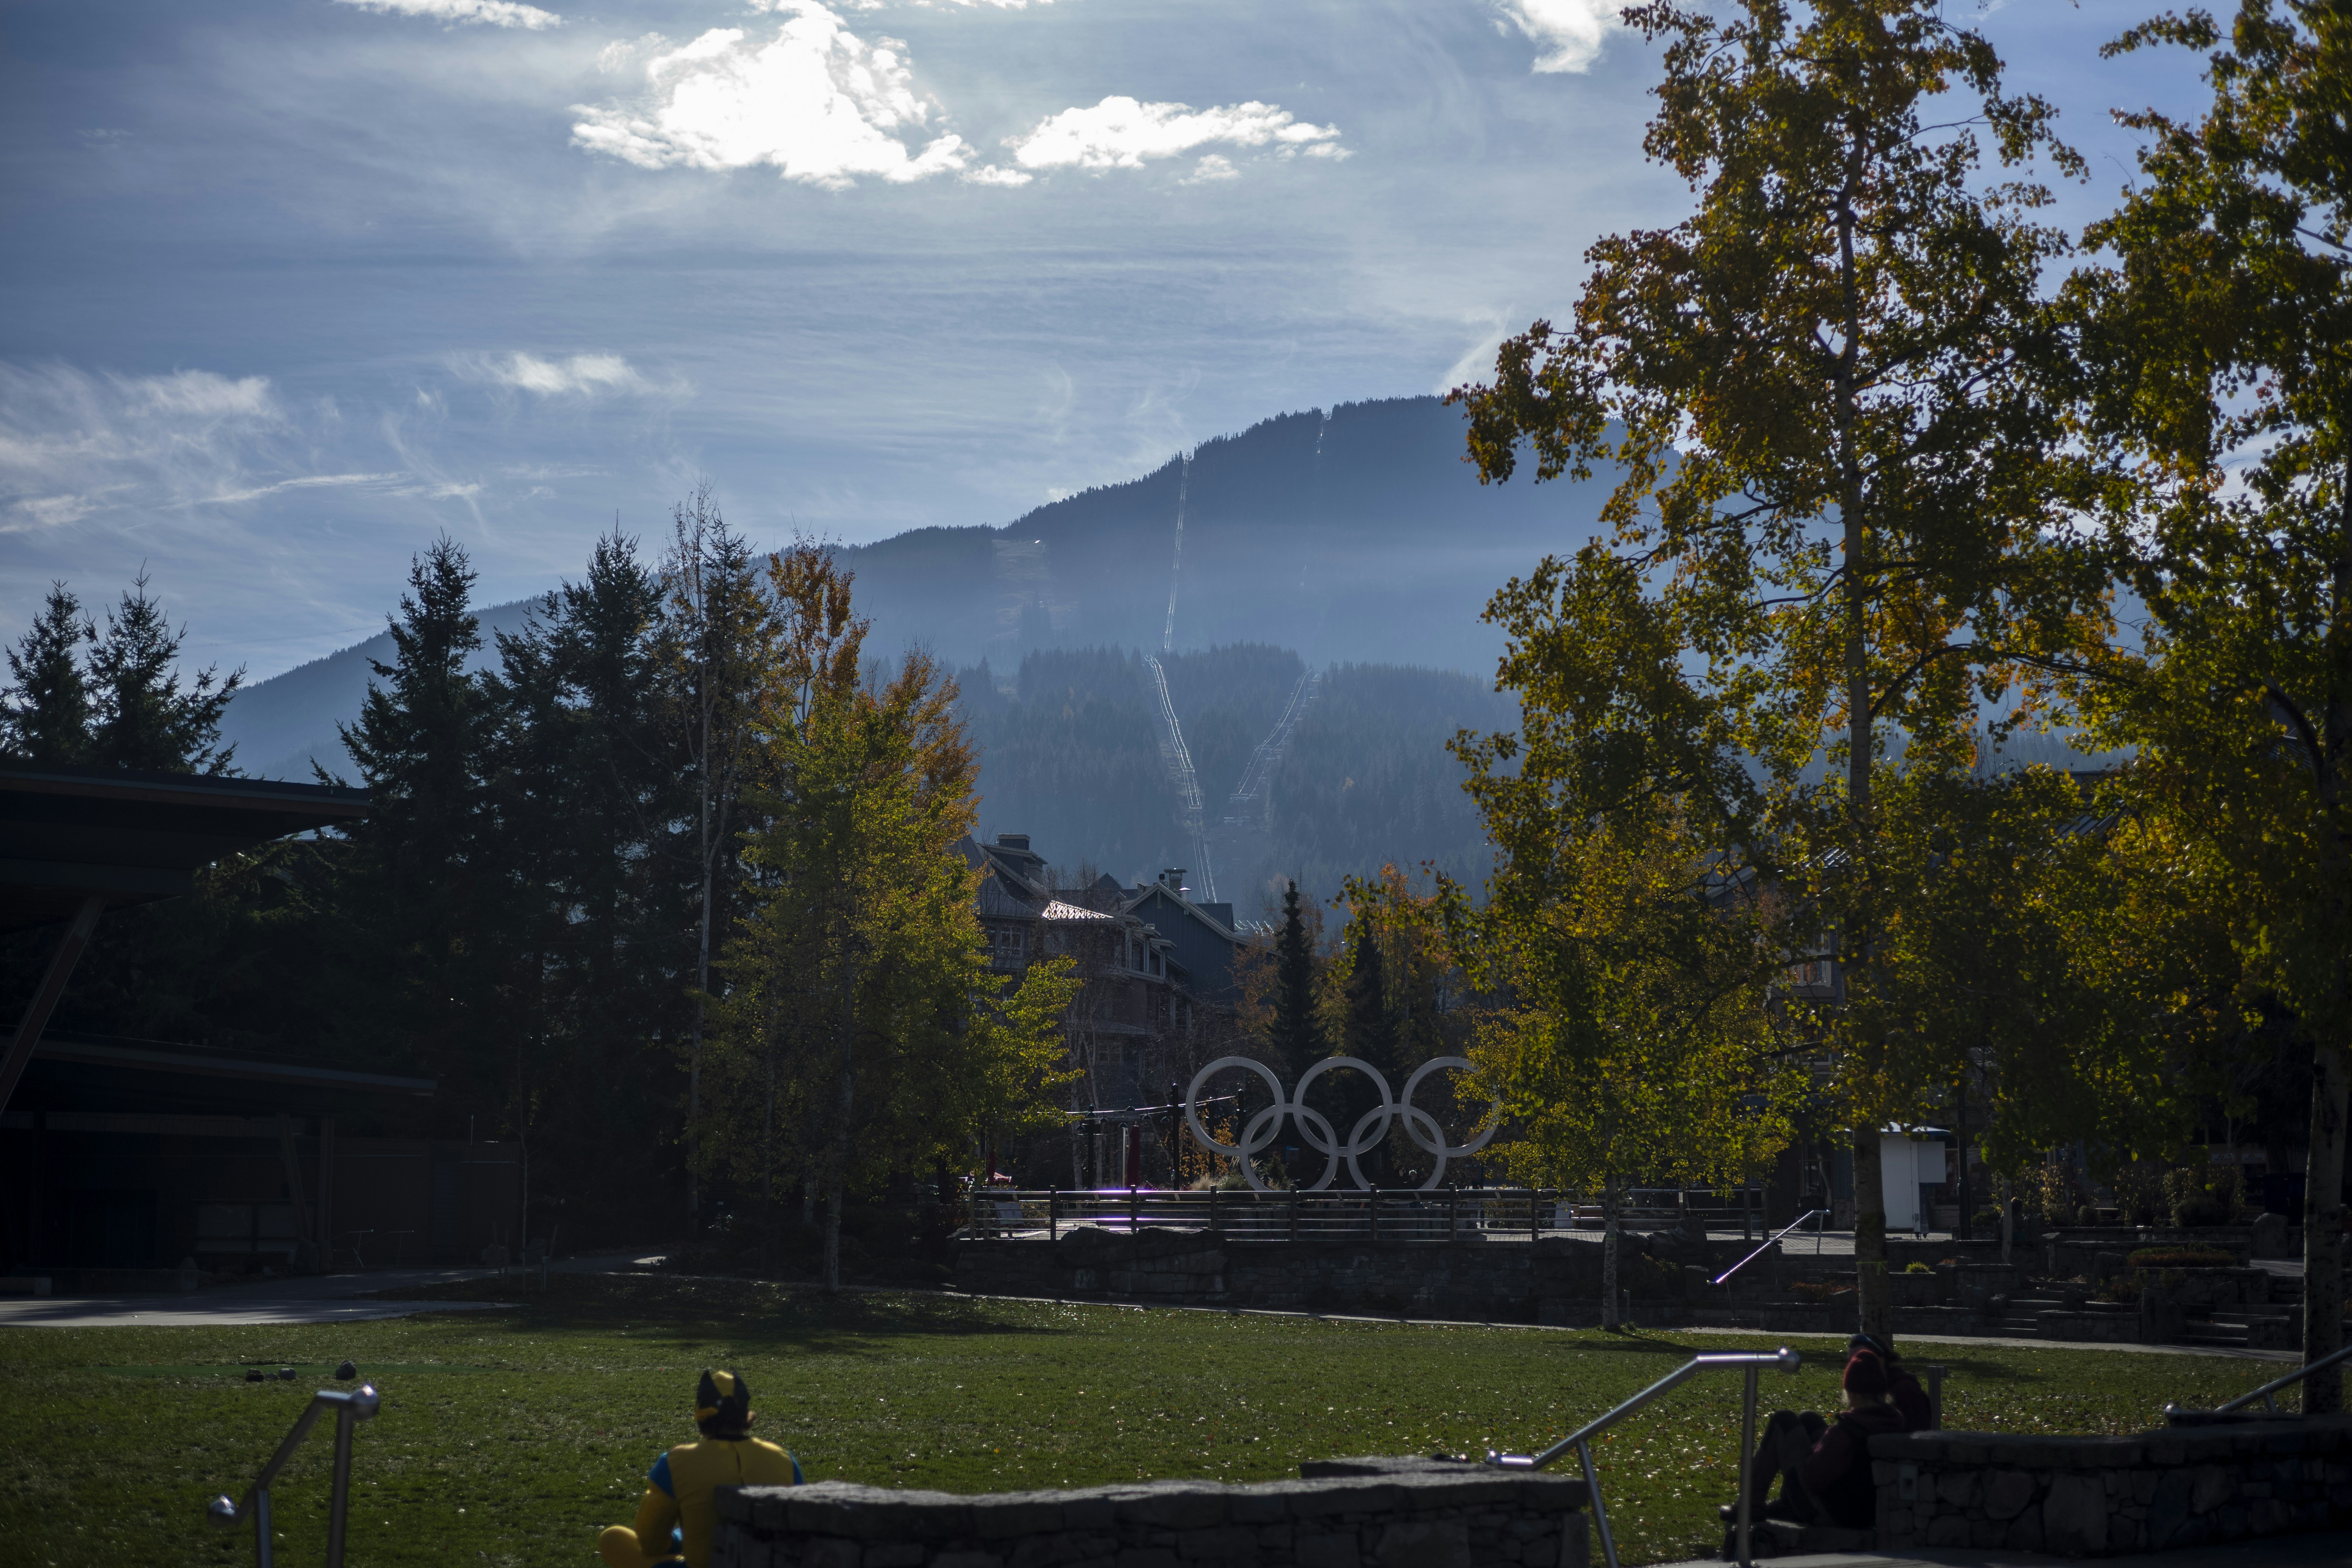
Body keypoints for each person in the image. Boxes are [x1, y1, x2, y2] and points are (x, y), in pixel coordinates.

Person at [598, 1369, 802, 1568]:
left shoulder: (675, 1462)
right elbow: (801, 1533)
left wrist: (680, 1542)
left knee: (613, 1538)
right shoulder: (785, 1459)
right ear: (746, 1414)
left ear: (700, 1414)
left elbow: (651, 1544)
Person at [1724, 1348, 1913, 1532]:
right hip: (1863, 1513)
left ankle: (1749, 1505)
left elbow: (1812, 1479)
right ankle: (1785, 1506)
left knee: (1783, 1421)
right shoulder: (1892, 1421)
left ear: (1852, 1394)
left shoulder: (1846, 1432)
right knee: (1808, 1419)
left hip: (1831, 1514)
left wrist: (1813, 1451)